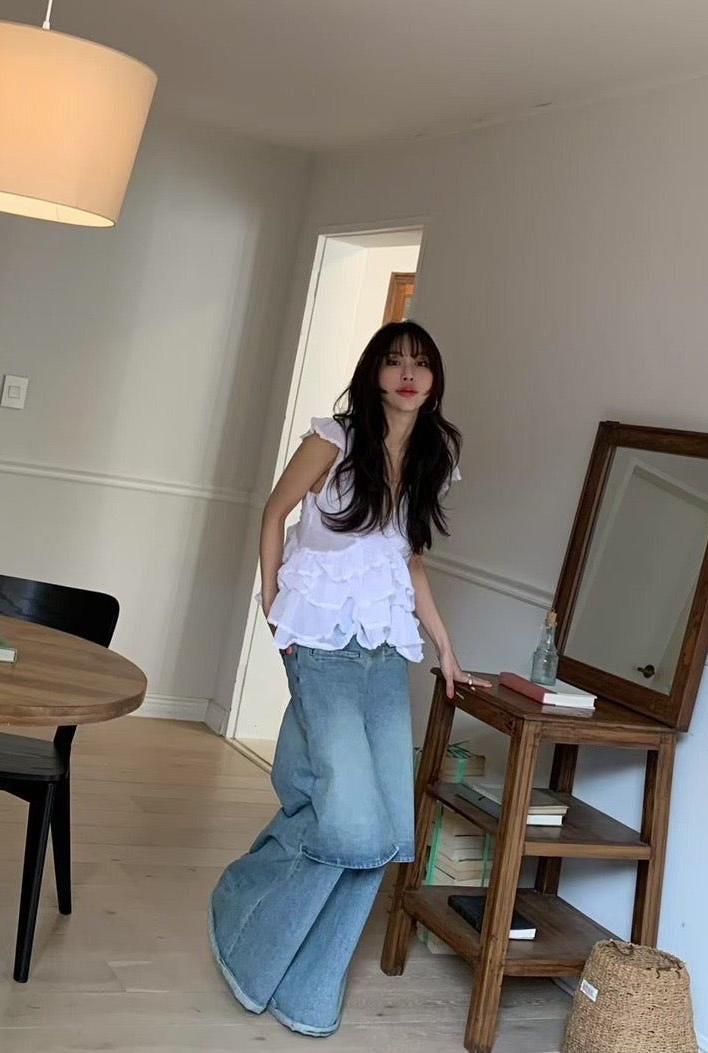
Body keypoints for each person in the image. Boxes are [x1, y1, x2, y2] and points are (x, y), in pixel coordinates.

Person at [209, 320, 489, 1037]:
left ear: (434, 379)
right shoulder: (332, 440)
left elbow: (409, 559)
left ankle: (311, 983)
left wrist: (445, 646)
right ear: (374, 372)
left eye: (420, 364)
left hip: (384, 651)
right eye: (394, 362)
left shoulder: (432, 454)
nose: (407, 374)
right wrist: (272, 603)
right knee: (350, 822)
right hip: (321, 645)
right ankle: (245, 924)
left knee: (390, 828)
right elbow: (275, 512)